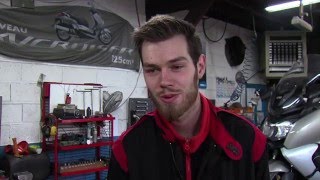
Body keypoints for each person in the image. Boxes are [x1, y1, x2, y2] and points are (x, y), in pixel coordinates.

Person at [107, 14, 269, 180]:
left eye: (176, 66)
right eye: (152, 70)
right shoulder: (126, 151)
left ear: (200, 67)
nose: (164, 81)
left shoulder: (250, 141)